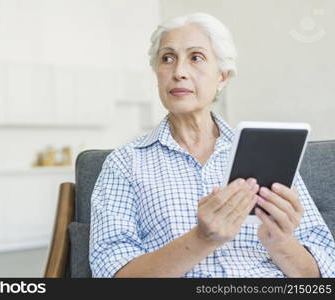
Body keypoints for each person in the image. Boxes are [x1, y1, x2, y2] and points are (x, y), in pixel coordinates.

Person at [89, 12, 335, 278]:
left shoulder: (271, 154)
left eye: (196, 57)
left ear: (223, 76)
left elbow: (323, 273)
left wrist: (281, 242)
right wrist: (202, 238)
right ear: (157, 73)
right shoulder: (124, 163)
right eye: (167, 58)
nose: (179, 72)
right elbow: (110, 274)